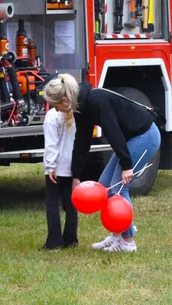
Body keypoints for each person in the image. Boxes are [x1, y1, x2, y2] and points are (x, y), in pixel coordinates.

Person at [44, 74, 160, 254]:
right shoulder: (81, 107)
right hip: (130, 139)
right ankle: (116, 236)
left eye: (56, 105)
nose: (57, 110)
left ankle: (127, 241)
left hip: (145, 136)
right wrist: (76, 175)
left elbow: (113, 132)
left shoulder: (97, 100)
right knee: (105, 186)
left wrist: (126, 165)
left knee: (120, 189)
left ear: (65, 100)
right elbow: (81, 141)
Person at [41, 91, 77, 250]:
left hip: (55, 167)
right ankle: (70, 239)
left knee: (52, 203)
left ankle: (54, 242)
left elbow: (51, 143)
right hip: (72, 165)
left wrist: (50, 166)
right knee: (70, 203)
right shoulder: (75, 112)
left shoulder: (52, 115)